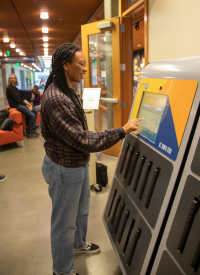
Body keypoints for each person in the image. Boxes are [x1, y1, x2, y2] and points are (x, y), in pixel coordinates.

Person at [41, 43, 143, 275]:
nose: (85, 69)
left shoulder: (68, 89)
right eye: (82, 63)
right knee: (63, 224)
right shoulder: (56, 98)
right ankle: (62, 270)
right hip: (64, 169)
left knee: (81, 210)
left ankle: (78, 245)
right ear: (65, 65)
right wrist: (121, 130)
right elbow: (83, 139)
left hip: (77, 164)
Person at [6, 74, 39, 139]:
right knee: (32, 115)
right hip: (16, 105)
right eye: (11, 78)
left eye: (13, 78)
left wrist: (29, 104)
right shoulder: (9, 88)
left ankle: (31, 128)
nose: (12, 79)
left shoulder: (15, 88)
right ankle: (29, 132)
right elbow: (17, 100)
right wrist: (27, 105)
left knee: (35, 111)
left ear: (15, 79)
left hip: (20, 104)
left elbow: (22, 98)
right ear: (9, 80)